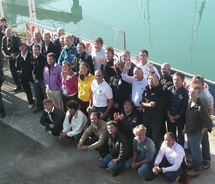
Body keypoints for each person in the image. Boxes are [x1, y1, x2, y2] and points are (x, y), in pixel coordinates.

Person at [182, 84, 213, 177]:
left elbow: (208, 122)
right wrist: (185, 128)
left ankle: (197, 169)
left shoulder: (201, 107)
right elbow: (188, 117)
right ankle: (194, 164)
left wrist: (203, 130)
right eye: (190, 92)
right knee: (192, 150)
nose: (191, 94)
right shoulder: (189, 101)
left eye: (193, 93)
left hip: (195, 133)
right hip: (190, 131)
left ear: (198, 94)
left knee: (196, 152)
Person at [192, 75, 214, 169]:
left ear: (202, 83)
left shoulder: (207, 96)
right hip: (194, 121)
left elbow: (210, 112)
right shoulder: (194, 91)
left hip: (202, 123)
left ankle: (206, 160)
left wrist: (204, 125)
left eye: (197, 82)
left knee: (204, 141)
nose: (195, 84)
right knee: (194, 141)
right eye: (194, 82)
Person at [140, 73, 164, 151]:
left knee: (157, 137)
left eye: (152, 79)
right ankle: (150, 151)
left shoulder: (159, 90)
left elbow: (158, 86)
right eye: (149, 78)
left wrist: (153, 72)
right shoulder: (146, 89)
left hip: (155, 119)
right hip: (146, 117)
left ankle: (159, 152)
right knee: (148, 136)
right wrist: (149, 105)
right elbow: (141, 103)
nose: (151, 80)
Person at [165, 72, 188, 147]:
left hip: (180, 118)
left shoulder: (185, 93)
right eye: (174, 79)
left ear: (182, 81)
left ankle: (180, 151)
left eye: (178, 80)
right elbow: (167, 104)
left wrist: (176, 117)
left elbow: (184, 108)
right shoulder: (169, 90)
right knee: (171, 135)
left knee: (180, 136)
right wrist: (169, 116)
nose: (175, 81)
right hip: (170, 117)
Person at [2, 27, 22, 92]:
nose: (8, 35)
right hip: (10, 58)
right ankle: (18, 86)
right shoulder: (4, 39)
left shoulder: (16, 38)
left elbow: (21, 48)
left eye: (9, 33)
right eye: (7, 33)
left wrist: (15, 55)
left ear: (12, 33)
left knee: (20, 71)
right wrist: (5, 55)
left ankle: (24, 84)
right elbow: (3, 48)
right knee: (13, 73)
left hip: (18, 57)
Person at [16, 41, 35, 109]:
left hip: (32, 76)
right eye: (21, 46)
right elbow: (18, 68)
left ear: (27, 47)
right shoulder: (18, 57)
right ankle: (31, 102)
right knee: (27, 90)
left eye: (24, 45)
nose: (22, 47)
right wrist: (20, 75)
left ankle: (40, 102)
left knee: (37, 89)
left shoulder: (31, 55)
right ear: (19, 48)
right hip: (23, 76)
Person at [30, 44, 47, 113]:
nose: (35, 51)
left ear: (39, 50)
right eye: (34, 50)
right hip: (35, 80)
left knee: (45, 95)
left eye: (37, 50)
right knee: (37, 95)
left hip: (42, 80)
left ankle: (47, 109)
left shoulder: (44, 58)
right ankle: (39, 107)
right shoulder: (31, 58)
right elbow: (31, 68)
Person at [160, 63, 173, 138]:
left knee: (170, 130)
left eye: (164, 69)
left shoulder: (171, 81)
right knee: (162, 129)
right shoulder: (162, 79)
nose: (162, 70)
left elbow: (162, 92)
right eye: (161, 69)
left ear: (169, 70)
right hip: (161, 109)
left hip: (169, 109)